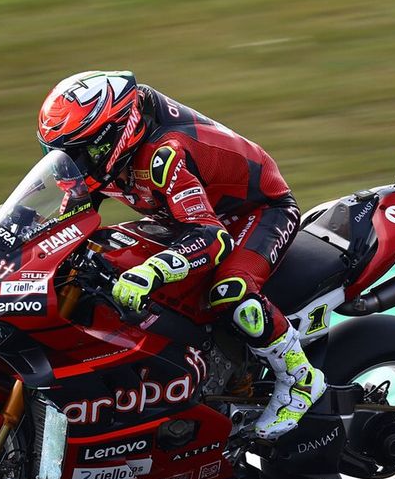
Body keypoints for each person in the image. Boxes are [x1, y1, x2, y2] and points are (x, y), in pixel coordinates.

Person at [37, 71, 324, 439]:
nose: (70, 164)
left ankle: (300, 379)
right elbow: (67, 219)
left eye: (79, 151)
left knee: (231, 291)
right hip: (186, 214)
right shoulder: (103, 156)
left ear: (116, 133)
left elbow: (211, 236)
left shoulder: (163, 154)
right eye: (57, 153)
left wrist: (153, 271)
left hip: (255, 212)